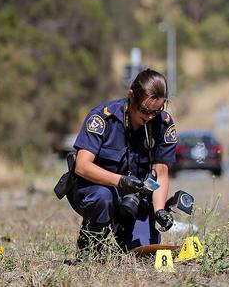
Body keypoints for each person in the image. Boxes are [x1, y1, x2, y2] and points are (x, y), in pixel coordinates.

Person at [67, 69, 177, 255]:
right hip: (95, 190)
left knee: (144, 251)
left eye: (156, 111)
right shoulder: (103, 118)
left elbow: (161, 173)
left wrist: (159, 211)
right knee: (103, 197)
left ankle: (124, 230)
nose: (150, 117)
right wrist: (120, 181)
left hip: (134, 197)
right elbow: (82, 166)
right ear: (131, 96)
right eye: (144, 110)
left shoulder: (163, 124)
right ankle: (91, 244)